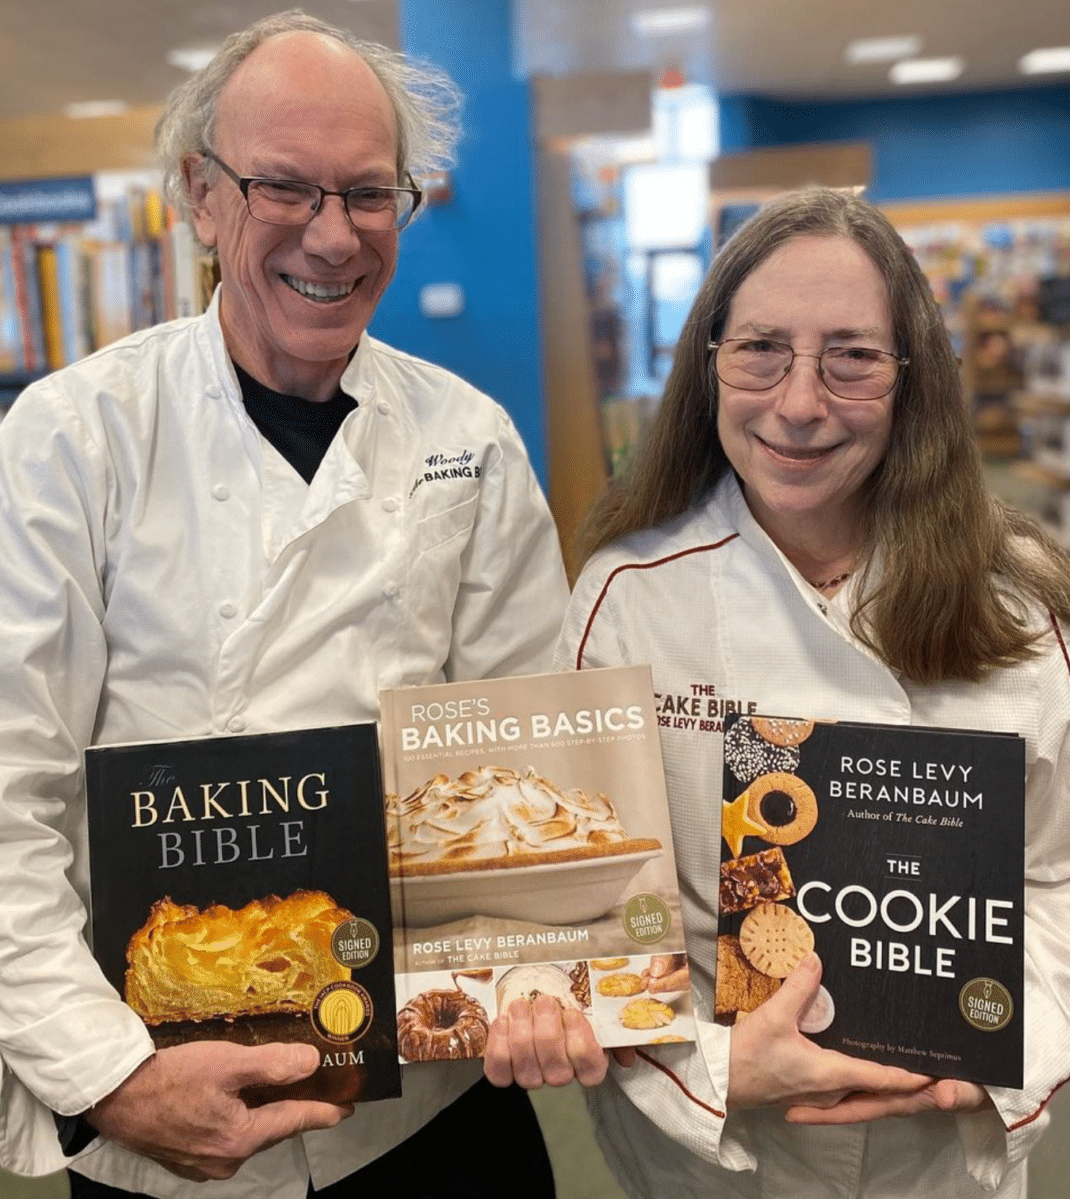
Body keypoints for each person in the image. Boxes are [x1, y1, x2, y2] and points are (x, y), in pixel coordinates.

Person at [0, 10, 567, 1198]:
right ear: (200, 196)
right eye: (285, 189)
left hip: (422, 1104)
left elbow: (530, 759)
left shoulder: (468, 438)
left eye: (369, 194)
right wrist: (104, 1075)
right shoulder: (73, 437)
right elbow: (11, 798)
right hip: (161, 1106)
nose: (334, 234)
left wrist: (540, 977)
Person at [484, 186, 1070, 1199]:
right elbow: (590, 907)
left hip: (939, 1154)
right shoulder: (628, 593)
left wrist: (988, 1055)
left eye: (850, 354)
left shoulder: (1014, 598)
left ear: (909, 377)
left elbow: (1056, 877)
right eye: (760, 348)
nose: (799, 403)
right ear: (707, 363)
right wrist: (717, 1075)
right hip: (711, 1152)